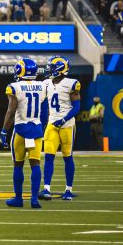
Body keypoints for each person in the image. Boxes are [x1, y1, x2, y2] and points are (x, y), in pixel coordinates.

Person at [0, 58, 47, 208]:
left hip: (21, 130)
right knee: (36, 164)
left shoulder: (14, 87)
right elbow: (44, 109)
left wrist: (3, 131)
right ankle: (34, 199)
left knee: (18, 165)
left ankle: (19, 198)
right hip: (36, 128)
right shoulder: (42, 86)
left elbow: (11, 111)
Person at [40, 57, 81, 201]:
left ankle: (68, 189)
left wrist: (63, 119)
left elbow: (76, 107)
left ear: (60, 69)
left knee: (67, 157)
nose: (49, 69)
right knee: (48, 156)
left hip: (67, 124)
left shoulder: (71, 84)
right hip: (52, 123)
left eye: (52, 67)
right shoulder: (46, 83)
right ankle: (46, 189)